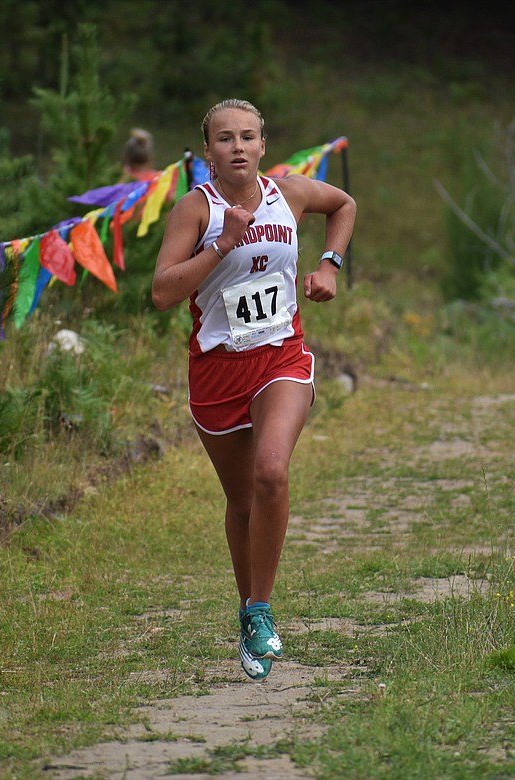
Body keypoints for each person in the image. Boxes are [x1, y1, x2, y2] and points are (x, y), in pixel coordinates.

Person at [151, 98, 356, 681]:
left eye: (247, 137)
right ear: (208, 152)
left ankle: (261, 609)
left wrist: (330, 267)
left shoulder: (288, 194)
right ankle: (247, 613)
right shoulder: (196, 210)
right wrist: (219, 245)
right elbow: (163, 293)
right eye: (223, 139)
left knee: (272, 472)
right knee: (241, 502)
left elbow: (343, 204)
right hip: (217, 371)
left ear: (264, 145)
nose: (237, 146)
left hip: (281, 358)